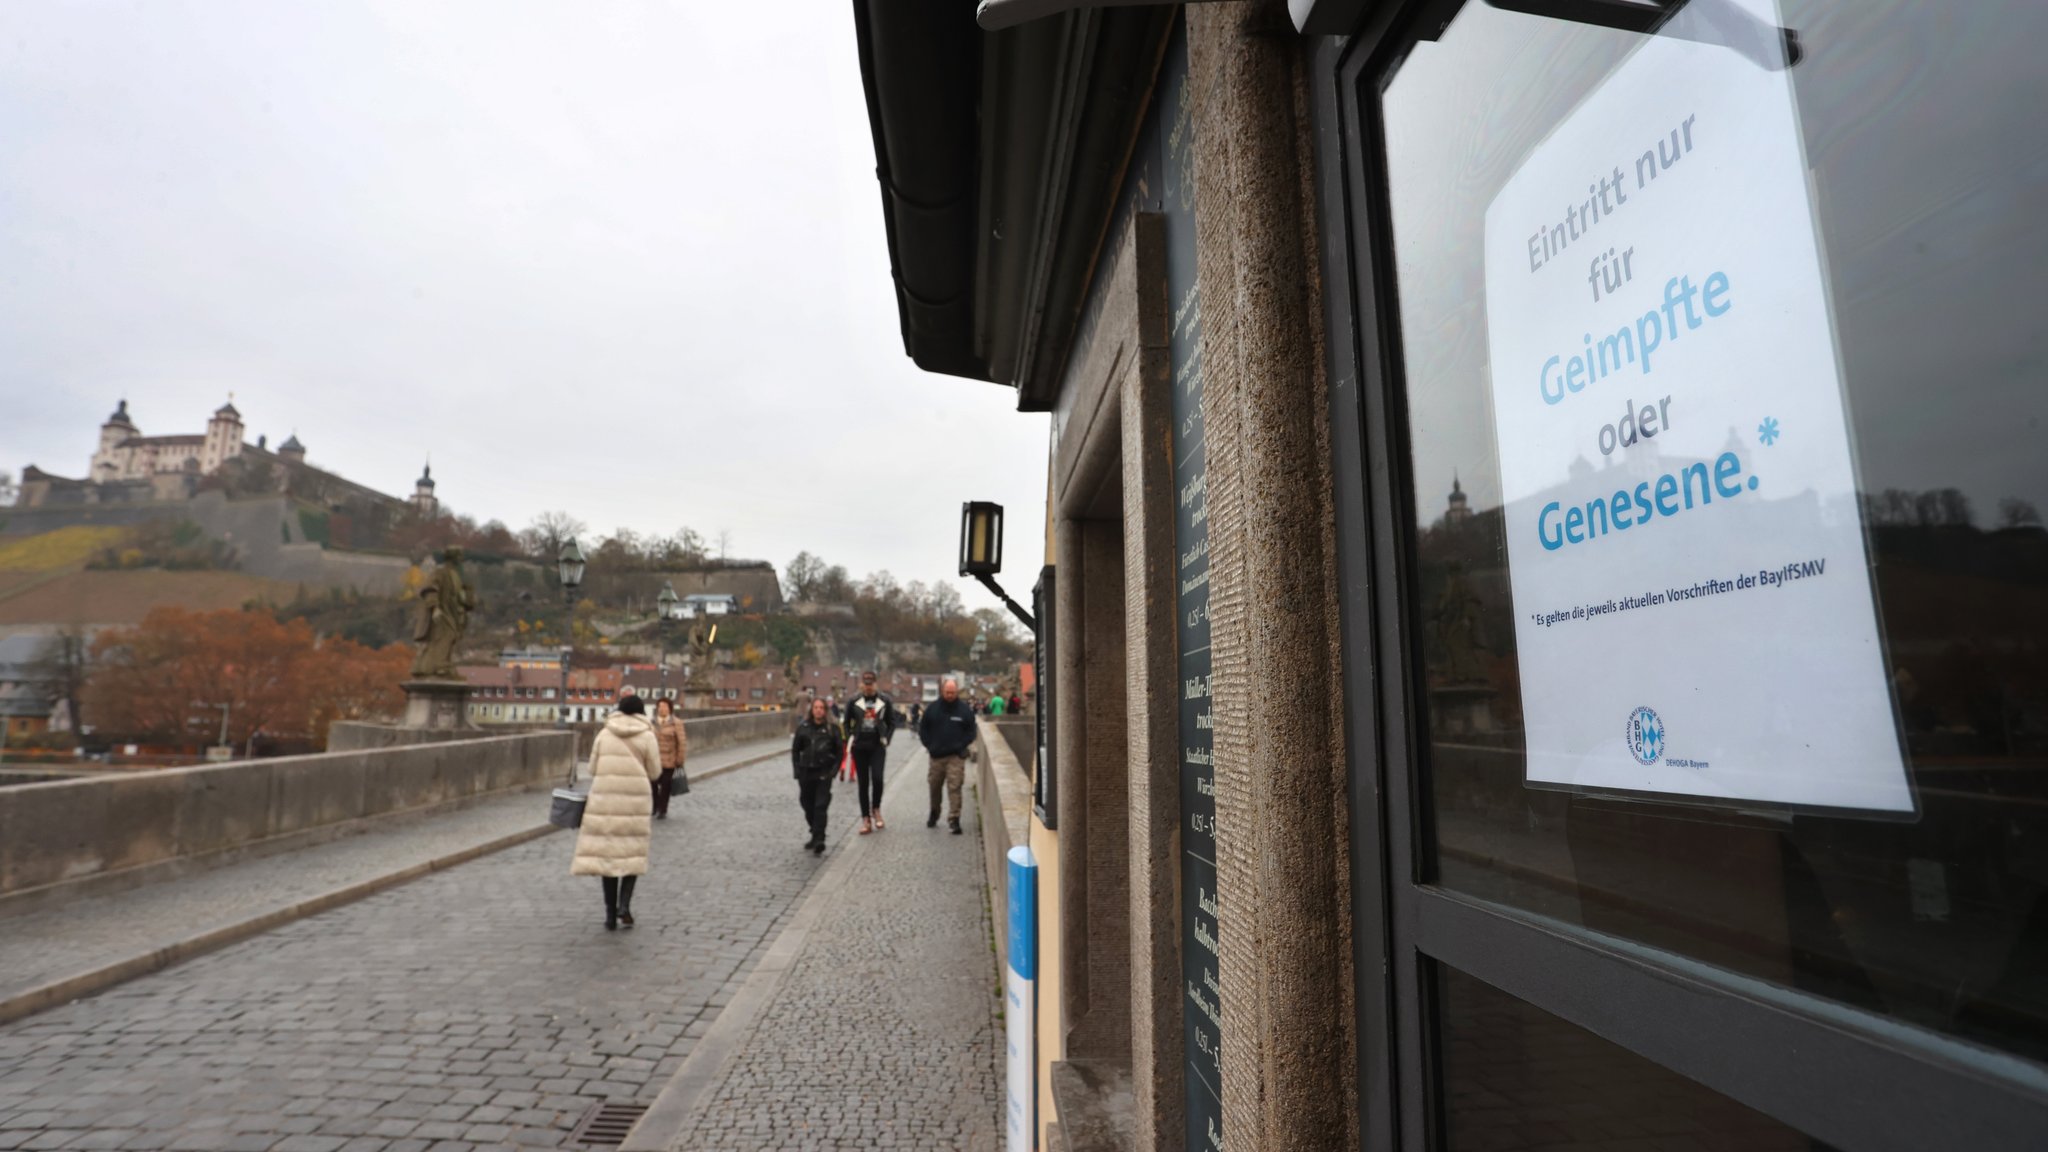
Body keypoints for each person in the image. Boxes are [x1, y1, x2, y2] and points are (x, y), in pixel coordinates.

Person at [571, 693, 661, 930]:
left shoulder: (604, 733)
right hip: (635, 802)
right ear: (642, 713)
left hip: (605, 800)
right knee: (632, 855)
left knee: (608, 858)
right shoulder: (647, 736)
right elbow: (655, 772)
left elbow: (592, 768)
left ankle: (610, 914)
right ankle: (624, 906)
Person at [918, 677, 977, 834]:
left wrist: (961, 745)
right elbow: (923, 729)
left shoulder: (964, 710)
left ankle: (954, 819)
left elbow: (971, 732)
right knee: (934, 787)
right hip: (936, 756)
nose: (950, 695)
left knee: (955, 787)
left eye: (953, 692)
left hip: (955, 756)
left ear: (956, 692)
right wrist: (929, 745)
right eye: (947, 692)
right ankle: (934, 812)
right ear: (942, 691)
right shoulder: (932, 709)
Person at [842, 671, 897, 834]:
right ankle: (866, 818)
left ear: (875, 684)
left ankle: (876, 809)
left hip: (877, 745)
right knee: (863, 783)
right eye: (866, 683)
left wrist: (886, 738)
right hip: (860, 746)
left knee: (878, 779)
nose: (868, 686)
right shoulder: (854, 701)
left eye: (871, 683)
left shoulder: (884, 700)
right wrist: (851, 738)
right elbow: (846, 722)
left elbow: (891, 722)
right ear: (862, 684)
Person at [792, 697, 844, 855]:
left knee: (820, 806)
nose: (819, 710)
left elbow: (839, 752)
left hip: (823, 772)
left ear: (825, 710)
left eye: (821, 707)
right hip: (806, 772)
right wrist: (797, 770)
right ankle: (814, 833)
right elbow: (796, 750)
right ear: (811, 709)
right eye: (816, 707)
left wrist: (833, 772)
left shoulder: (832, 729)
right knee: (807, 804)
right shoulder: (804, 727)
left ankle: (819, 838)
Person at [651, 697, 688, 817]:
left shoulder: (676, 723)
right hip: (654, 760)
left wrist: (680, 759)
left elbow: (681, 742)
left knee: (666, 786)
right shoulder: (652, 722)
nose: (662, 709)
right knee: (653, 785)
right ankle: (655, 806)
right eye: (660, 706)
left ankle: (662, 809)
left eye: (665, 706)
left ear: (670, 709)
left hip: (669, 760)